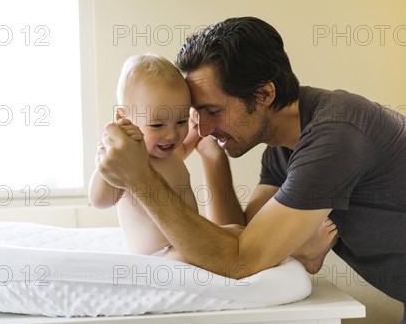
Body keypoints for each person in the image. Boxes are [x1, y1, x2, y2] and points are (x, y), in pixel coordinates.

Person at [96, 18, 406, 324]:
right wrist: (212, 157)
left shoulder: (334, 136)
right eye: (196, 114)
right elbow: (244, 236)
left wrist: (142, 179)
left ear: (264, 94)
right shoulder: (283, 146)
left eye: (212, 111)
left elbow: (239, 260)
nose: (199, 126)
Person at [90, 52, 338, 265]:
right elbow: (99, 201)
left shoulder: (168, 150)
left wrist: (200, 126)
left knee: (239, 234)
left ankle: (300, 252)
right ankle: (301, 251)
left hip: (188, 242)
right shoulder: (128, 158)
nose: (171, 134)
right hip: (160, 256)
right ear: (124, 117)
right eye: (157, 124)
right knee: (228, 243)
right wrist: (110, 160)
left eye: (180, 121)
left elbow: (192, 141)